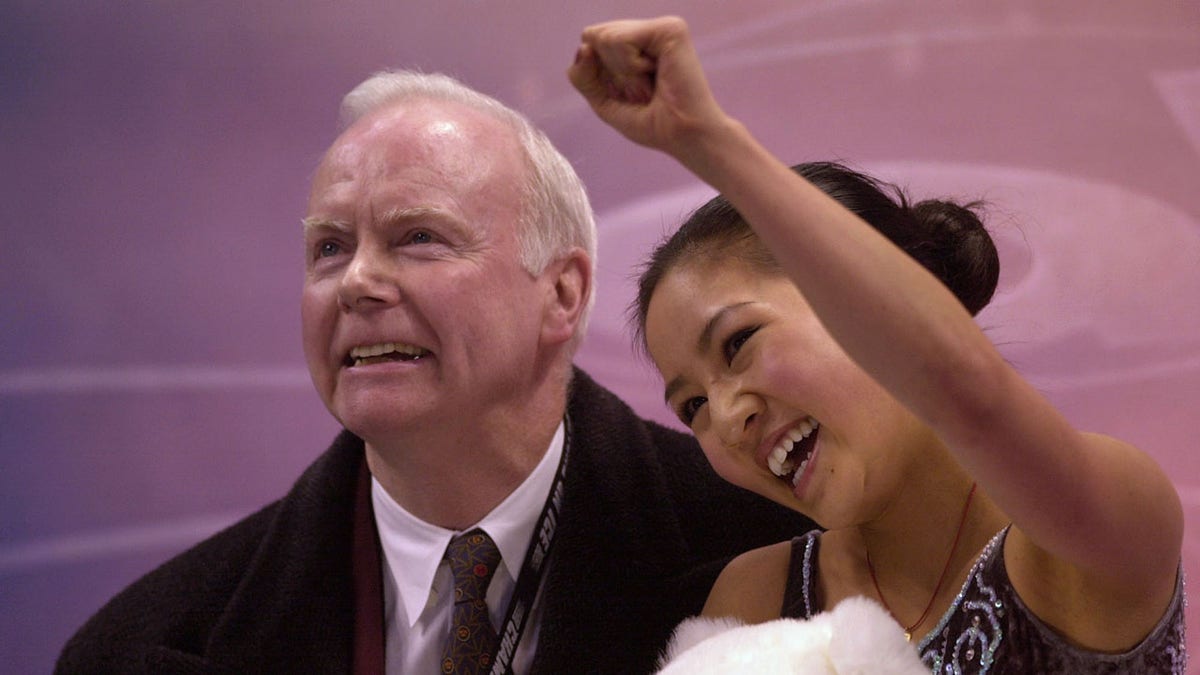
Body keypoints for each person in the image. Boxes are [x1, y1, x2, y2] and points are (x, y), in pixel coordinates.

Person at [55, 69, 816, 674]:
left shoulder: (789, 561)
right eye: (328, 247)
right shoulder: (142, 644)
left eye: (418, 236)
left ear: (562, 292)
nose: (356, 281)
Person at [569, 16, 1186, 673]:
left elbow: (969, 393)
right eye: (690, 405)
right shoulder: (752, 602)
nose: (724, 416)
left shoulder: (1102, 527)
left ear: (873, 295)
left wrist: (710, 142)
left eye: (739, 341)